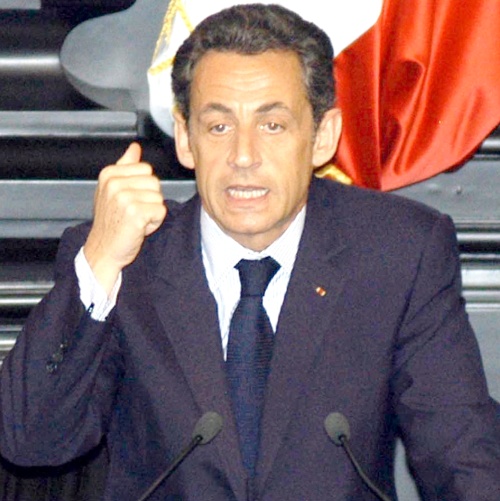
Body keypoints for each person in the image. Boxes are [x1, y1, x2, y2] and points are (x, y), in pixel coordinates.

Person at [1, 4, 499, 500]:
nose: (243, 156)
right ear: (185, 139)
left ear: (323, 136)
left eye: (272, 125)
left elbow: (463, 459)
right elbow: (31, 442)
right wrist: (100, 263)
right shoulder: (130, 260)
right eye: (219, 127)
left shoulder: (398, 253)